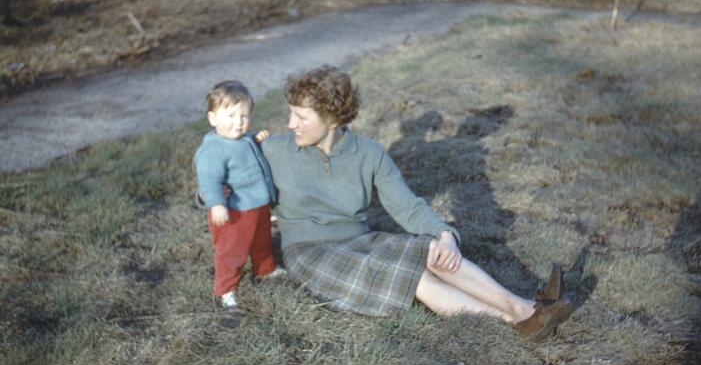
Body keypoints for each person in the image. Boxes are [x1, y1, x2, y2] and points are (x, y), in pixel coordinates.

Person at [216, 66, 575, 339]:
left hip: (361, 239)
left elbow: (406, 206)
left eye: (301, 117)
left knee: (434, 252)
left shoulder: (369, 153)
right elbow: (219, 179)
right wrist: (216, 195)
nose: (290, 123)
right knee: (416, 277)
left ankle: (526, 306)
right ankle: (515, 321)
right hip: (309, 251)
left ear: (332, 118)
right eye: (291, 113)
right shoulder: (273, 148)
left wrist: (445, 235)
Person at [194, 80, 285, 310]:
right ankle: (226, 289)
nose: (239, 122)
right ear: (213, 119)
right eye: (231, 116)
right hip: (234, 211)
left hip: (257, 205)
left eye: (244, 116)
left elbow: (247, 147)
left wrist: (257, 139)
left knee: (262, 241)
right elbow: (209, 179)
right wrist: (216, 204)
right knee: (231, 250)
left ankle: (264, 269)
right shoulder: (213, 149)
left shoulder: (244, 139)